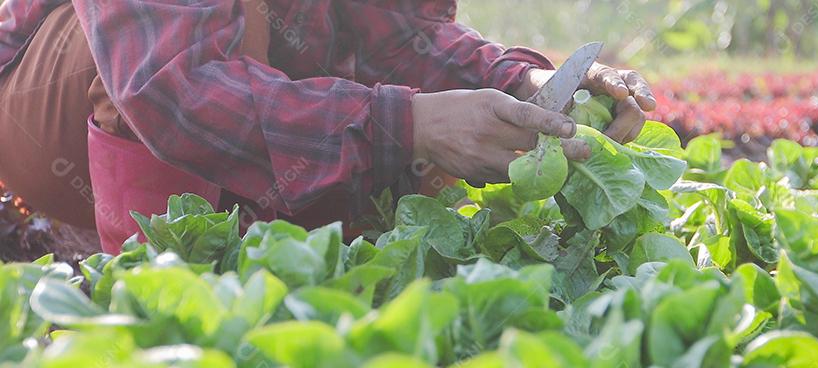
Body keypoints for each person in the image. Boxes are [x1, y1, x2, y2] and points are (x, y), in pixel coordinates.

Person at [0, 0, 655, 253]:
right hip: (52, 102)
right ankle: (156, 278)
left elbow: (398, 32)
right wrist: (405, 125)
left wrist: (523, 83)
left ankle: (273, 236)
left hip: (213, 79)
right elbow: (173, 82)